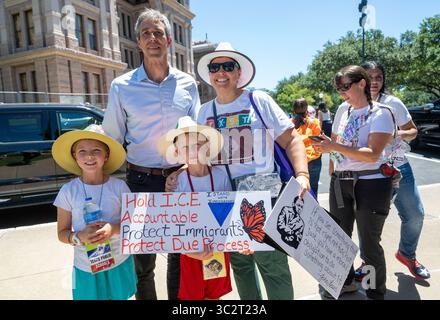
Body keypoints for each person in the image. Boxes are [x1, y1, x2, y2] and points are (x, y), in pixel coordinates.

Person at [167, 42, 310, 300]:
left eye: (228, 66)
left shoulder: (258, 100)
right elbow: (198, 151)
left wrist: (303, 176)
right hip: (224, 199)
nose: (221, 72)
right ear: (209, 73)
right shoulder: (204, 111)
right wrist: (181, 170)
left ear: (238, 71)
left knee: (273, 266)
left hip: (264, 196)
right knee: (241, 267)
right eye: (215, 67)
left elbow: (292, 139)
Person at [102, 8, 201, 300]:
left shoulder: (188, 84)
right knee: (143, 263)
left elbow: (197, 137)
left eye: (158, 32)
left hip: (181, 180)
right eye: (146, 33)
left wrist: (184, 170)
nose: (153, 38)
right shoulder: (121, 87)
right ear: (138, 43)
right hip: (140, 181)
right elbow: (112, 138)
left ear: (169, 40)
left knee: (180, 256)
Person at [312, 65, 395, 300]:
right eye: (338, 88)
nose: (342, 93)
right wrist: (329, 150)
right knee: (337, 238)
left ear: (362, 83)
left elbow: (371, 154)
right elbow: (339, 146)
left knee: (368, 245)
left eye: (346, 87)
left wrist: (334, 147)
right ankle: (344, 282)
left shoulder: (381, 112)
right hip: (341, 181)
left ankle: (373, 292)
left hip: (370, 183)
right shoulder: (343, 110)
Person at [352, 61, 430, 281]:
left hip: (398, 167)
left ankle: (407, 255)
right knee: (369, 223)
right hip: (368, 172)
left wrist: (396, 133)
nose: (374, 82)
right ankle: (367, 264)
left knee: (415, 215)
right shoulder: (353, 105)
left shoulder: (393, 103)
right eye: (369, 77)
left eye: (379, 77)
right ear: (360, 80)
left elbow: (413, 130)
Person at [52, 125, 137, 300]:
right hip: (86, 266)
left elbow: (135, 223)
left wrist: (112, 228)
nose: (89, 156)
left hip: (119, 261)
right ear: (74, 156)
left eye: (96, 150)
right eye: (82, 151)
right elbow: (62, 233)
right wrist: (78, 237)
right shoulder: (68, 191)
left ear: (106, 156)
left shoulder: (119, 187)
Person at [157, 116, 232, 300]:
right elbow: (172, 227)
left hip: (218, 251)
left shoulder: (221, 176)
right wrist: (191, 252)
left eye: (198, 144)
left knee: (215, 297)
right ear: (177, 152)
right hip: (191, 254)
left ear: (207, 145)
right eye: (185, 147)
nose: (193, 150)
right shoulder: (177, 183)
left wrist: (243, 240)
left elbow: (232, 215)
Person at [292, 98, 322, 198]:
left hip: (297, 162)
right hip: (313, 159)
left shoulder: (289, 124)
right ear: (307, 110)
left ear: (293, 110)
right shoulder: (314, 122)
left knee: (298, 192)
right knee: (313, 191)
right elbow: (319, 140)